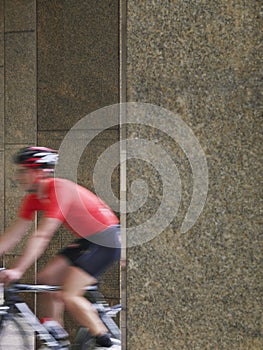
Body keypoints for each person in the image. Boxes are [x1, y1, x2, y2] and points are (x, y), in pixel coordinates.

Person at [0, 146, 121, 348]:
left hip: (107, 239)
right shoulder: (33, 198)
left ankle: (106, 342)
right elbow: (14, 234)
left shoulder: (59, 189)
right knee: (46, 279)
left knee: (70, 294)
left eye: (22, 171)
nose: (18, 177)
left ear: (38, 172)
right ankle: (56, 337)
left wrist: (18, 270)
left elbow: (43, 234)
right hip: (88, 241)